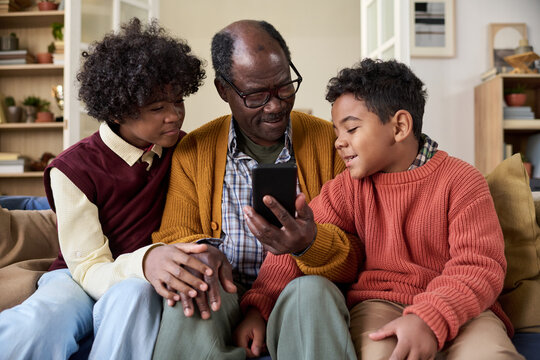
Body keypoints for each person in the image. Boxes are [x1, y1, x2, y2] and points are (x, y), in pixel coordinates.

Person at [239, 58, 525, 359]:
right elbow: (293, 248)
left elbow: (480, 265)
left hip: (465, 311)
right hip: (379, 305)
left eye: (350, 130)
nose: (339, 142)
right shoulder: (345, 188)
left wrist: (429, 317)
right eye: (337, 132)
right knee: (379, 354)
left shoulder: (463, 180)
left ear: (400, 127)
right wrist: (259, 307)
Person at [0, 18, 211, 360]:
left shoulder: (187, 151)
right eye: (158, 107)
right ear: (118, 109)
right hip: (79, 276)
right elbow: (87, 267)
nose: (174, 116)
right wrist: (145, 261)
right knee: (38, 324)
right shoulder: (72, 168)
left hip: (144, 283)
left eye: (179, 101)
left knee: (133, 298)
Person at [151, 20, 357, 360]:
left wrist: (309, 244)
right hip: (225, 292)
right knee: (190, 294)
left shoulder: (332, 144)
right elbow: (176, 237)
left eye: (284, 88)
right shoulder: (193, 152)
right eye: (257, 95)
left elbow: (356, 252)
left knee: (313, 293)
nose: (275, 105)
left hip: (301, 290)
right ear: (223, 90)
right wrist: (201, 252)